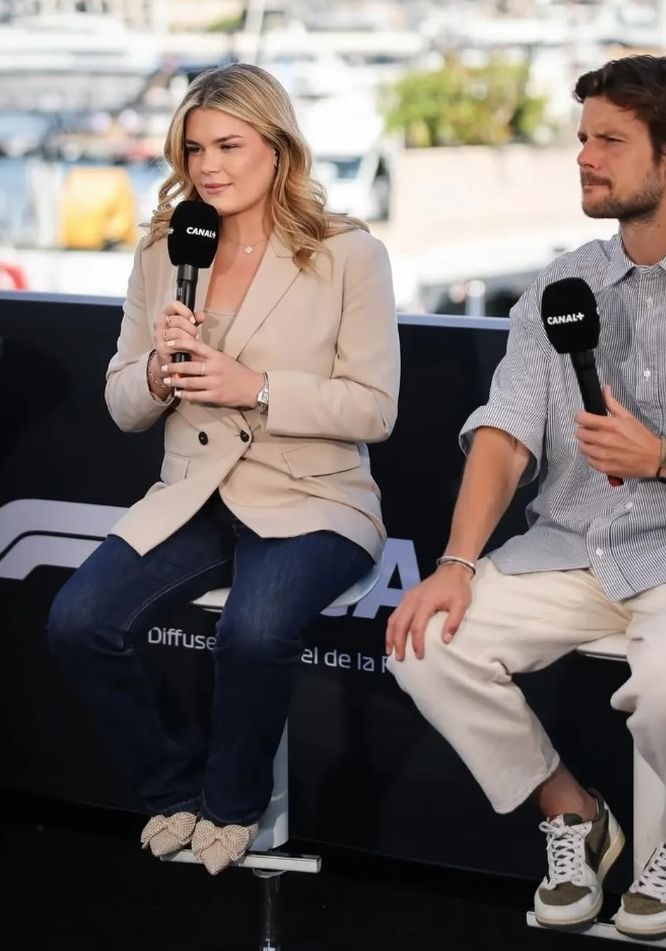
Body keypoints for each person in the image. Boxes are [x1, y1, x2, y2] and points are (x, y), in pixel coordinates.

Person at [386, 54, 666, 940]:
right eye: (583, 138)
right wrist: (455, 563)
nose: (585, 158)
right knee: (421, 642)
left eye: (609, 141)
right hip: (573, 545)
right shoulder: (562, 284)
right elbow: (505, 434)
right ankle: (571, 813)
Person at [47, 63, 399, 876]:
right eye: (194, 147)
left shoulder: (349, 253)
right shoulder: (165, 252)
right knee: (76, 621)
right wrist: (160, 371)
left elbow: (375, 408)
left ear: (277, 148)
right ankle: (172, 792)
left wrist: (259, 389)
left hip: (313, 495)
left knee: (255, 630)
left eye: (229, 145)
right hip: (195, 494)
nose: (208, 165)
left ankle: (233, 804)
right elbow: (122, 404)